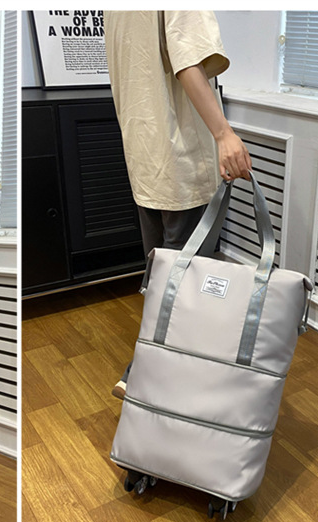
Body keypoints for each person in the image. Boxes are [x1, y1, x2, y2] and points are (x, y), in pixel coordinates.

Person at [103, 11, 252, 399]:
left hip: (146, 158)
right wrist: (224, 133)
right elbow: (189, 60)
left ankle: (156, 379)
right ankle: (148, 377)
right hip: (184, 160)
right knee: (185, 287)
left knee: (163, 277)